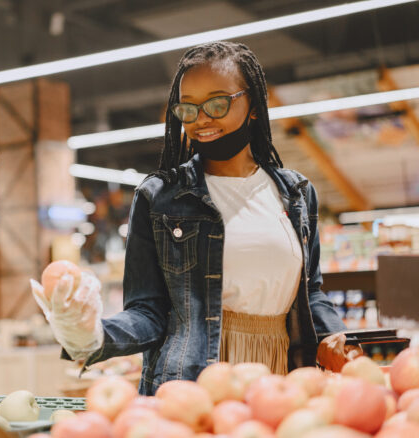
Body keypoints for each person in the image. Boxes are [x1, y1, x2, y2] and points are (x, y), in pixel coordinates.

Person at [30, 41, 362, 396]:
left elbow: (310, 292)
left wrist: (336, 338)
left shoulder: (296, 194)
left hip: (283, 377)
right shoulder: (159, 198)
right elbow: (148, 312)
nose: (201, 119)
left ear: (252, 105)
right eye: (188, 109)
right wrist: (92, 334)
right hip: (194, 382)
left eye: (217, 103)